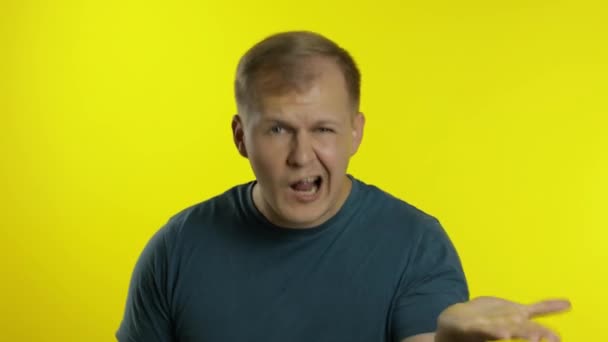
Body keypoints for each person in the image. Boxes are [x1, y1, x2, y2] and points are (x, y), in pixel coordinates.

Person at [116, 31, 570, 342]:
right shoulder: (177, 248)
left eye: (324, 130)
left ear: (355, 133)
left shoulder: (415, 243)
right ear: (240, 136)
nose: (301, 154)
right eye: (277, 130)